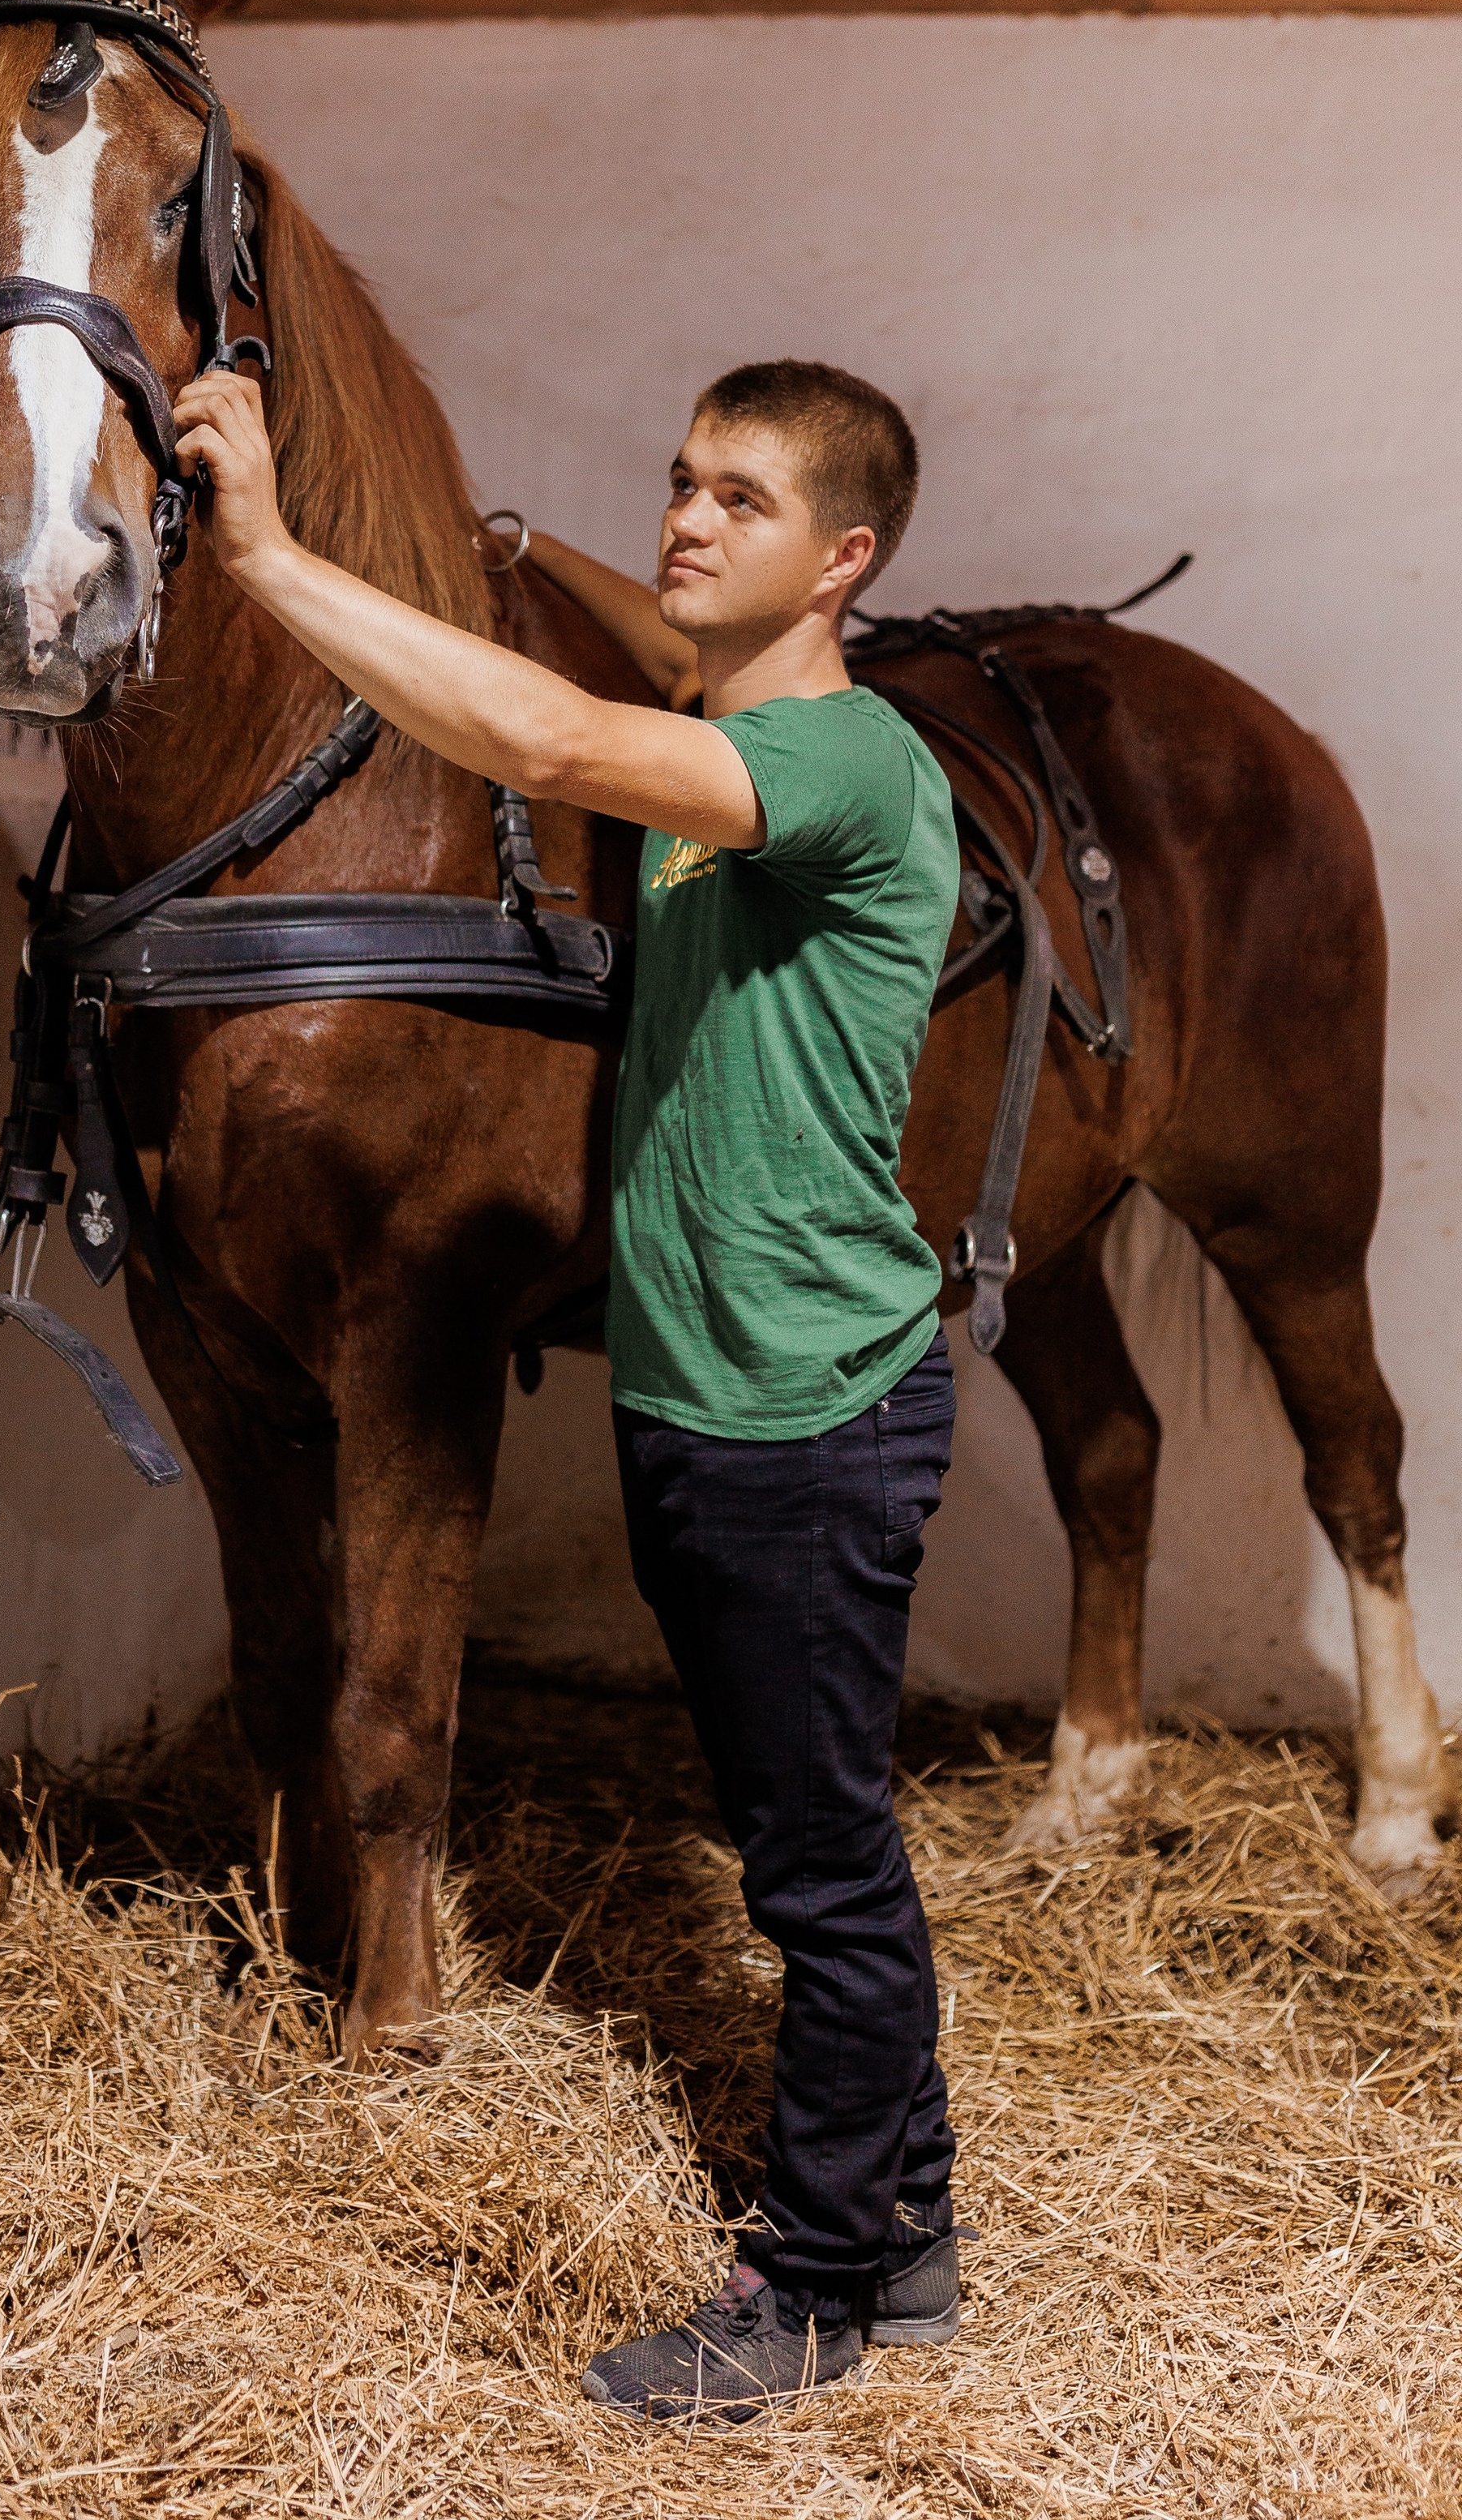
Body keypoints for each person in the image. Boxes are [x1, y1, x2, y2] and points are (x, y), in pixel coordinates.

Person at [171, 354, 965, 2429]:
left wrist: (264, 551)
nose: (689, 519)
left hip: (802, 1410)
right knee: (816, 1836)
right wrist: (544, 557)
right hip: (712, 1400)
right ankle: (912, 2214)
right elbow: (632, 665)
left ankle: (813, 2286)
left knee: (812, 1871)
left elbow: (538, 729)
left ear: (845, 558)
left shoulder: (843, 771)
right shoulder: (739, 722)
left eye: (736, 500)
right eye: (676, 482)